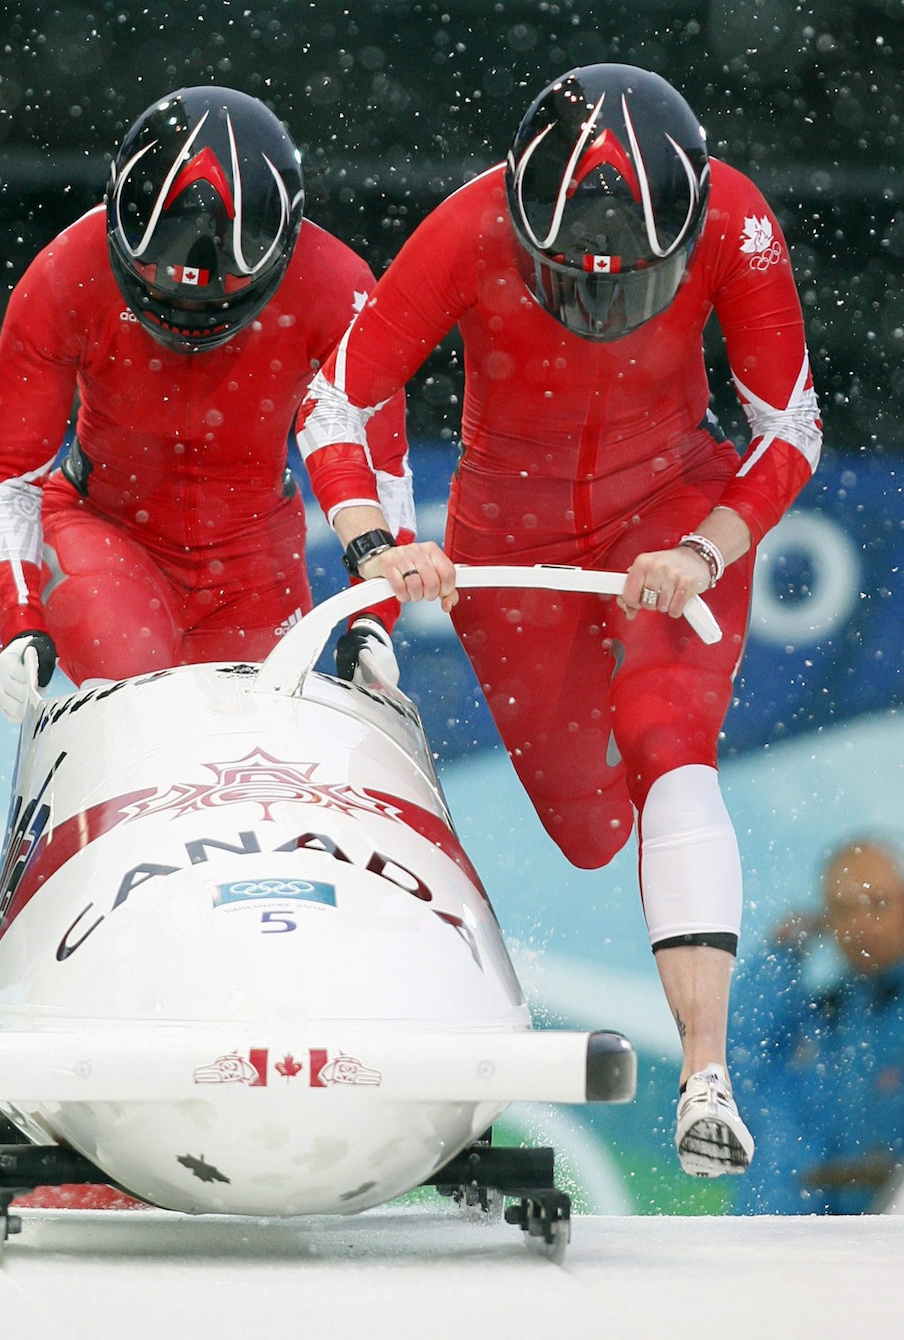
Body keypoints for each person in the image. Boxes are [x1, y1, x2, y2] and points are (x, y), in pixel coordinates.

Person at [295, 63, 822, 1177]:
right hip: (511, 543)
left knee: (667, 736)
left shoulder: (737, 221)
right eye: (571, 281)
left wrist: (706, 545)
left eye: (633, 283)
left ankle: (706, 1074)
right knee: (590, 829)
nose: (599, 309)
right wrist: (376, 544)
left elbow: (792, 426)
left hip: (674, 504)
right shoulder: (470, 224)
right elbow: (339, 398)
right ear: (526, 225)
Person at [0, 85, 406, 722]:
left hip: (253, 560)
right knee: (141, 702)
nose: (185, 319)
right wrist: (18, 620)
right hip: (107, 532)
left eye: (214, 303)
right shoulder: (65, 273)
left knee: (256, 747)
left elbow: (380, 463)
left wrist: (372, 618)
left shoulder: (338, 287)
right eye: (164, 294)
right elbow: (12, 471)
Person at [731, 836, 904, 1213]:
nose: (862, 923)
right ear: (826, 920)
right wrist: (781, 954)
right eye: (844, 909)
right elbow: (734, 1070)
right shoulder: (825, 1018)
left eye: (878, 905)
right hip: (811, 1247)